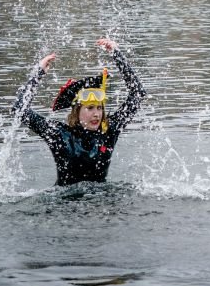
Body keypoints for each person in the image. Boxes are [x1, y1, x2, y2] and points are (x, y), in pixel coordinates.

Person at [12, 38, 147, 186]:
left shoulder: (108, 131)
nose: (97, 114)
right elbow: (19, 110)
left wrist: (117, 54)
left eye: (99, 108)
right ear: (76, 111)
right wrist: (38, 73)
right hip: (64, 203)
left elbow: (138, 95)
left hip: (99, 205)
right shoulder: (59, 135)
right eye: (90, 108)